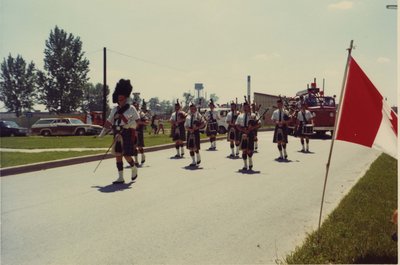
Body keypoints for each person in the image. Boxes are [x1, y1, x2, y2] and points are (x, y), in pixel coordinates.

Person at [98, 79, 140, 184]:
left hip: (126, 132)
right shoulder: (114, 110)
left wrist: (129, 124)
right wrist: (102, 133)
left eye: (121, 99)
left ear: (126, 98)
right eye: (118, 99)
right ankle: (120, 177)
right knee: (118, 155)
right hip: (117, 133)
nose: (119, 101)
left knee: (126, 155)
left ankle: (133, 167)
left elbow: (138, 122)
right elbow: (109, 122)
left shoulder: (131, 109)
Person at [235, 100, 261, 171]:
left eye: (247, 107)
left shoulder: (253, 115)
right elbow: (237, 125)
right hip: (243, 133)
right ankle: (245, 165)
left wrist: (252, 128)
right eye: (244, 107)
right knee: (244, 150)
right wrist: (243, 130)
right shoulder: (240, 116)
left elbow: (259, 124)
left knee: (249, 151)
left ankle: (250, 160)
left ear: (249, 108)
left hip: (251, 133)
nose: (245, 109)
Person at [185, 102, 206, 166]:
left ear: (195, 109)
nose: (192, 110)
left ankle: (198, 156)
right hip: (189, 132)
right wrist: (189, 129)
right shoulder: (188, 116)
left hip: (196, 132)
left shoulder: (198, 115)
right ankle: (193, 161)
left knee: (196, 147)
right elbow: (185, 126)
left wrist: (197, 127)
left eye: (193, 108)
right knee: (190, 148)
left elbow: (203, 123)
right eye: (191, 108)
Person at [136, 100, 150, 164]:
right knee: (133, 146)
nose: (135, 106)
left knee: (139, 146)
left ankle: (142, 155)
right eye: (134, 105)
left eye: (136, 105)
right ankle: (136, 161)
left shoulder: (141, 113)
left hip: (138, 131)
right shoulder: (129, 112)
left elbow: (147, 122)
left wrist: (140, 122)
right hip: (131, 131)